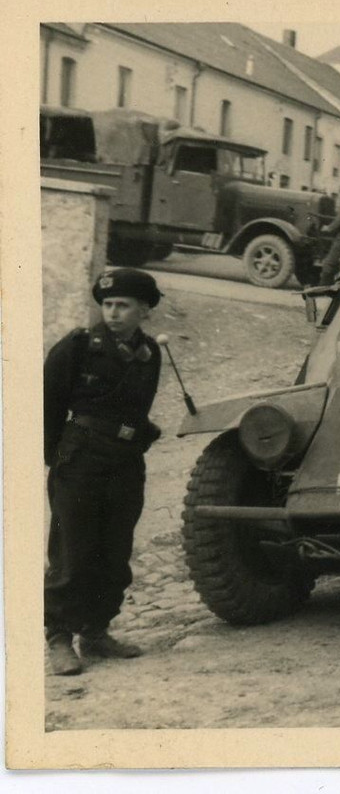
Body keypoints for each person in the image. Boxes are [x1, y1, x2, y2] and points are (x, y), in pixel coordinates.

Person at [43, 269, 164, 676]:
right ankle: (58, 636)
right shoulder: (78, 347)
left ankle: (96, 633)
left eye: (123, 305)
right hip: (81, 458)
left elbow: (139, 409)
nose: (113, 312)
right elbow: (48, 407)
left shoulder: (150, 353)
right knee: (72, 551)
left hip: (125, 461)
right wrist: (56, 458)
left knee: (115, 552)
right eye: (107, 304)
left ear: (143, 310)